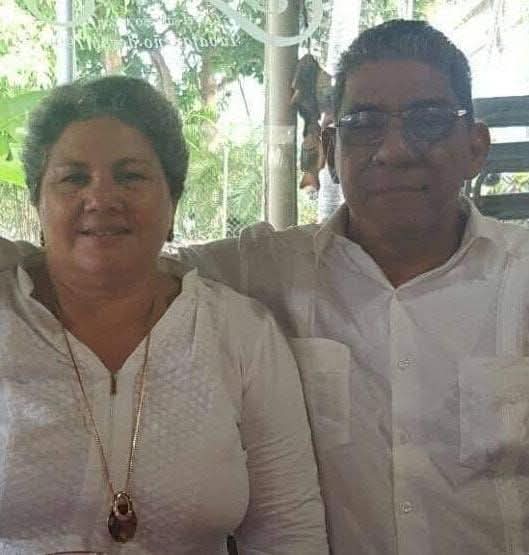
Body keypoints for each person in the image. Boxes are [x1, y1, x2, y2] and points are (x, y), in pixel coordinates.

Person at [177, 19, 529, 555]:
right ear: (330, 149)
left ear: (476, 146)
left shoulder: (520, 276)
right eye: (364, 124)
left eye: (429, 121)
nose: (395, 150)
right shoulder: (263, 271)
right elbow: (115, 268)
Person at [0, 76, 328, 554]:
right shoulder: (8, 319)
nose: (101, 198)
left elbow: (288, 530)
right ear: (37, 201)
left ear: (172, 201)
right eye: (73, 178)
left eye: (131, 176)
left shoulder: (239, 333)